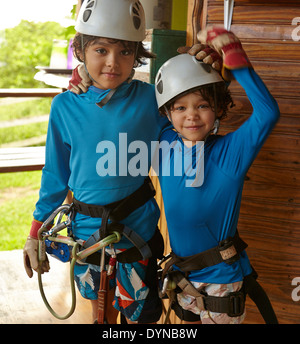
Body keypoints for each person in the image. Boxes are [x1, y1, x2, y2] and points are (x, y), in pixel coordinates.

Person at [23, 0, 170, 324]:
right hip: (88, 239)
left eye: (124, 52)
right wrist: (35, 232)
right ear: (81, 50)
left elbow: (185, 126)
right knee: (100, 316)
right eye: (100, 50)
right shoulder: (64, 106)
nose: (112, 63)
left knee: (141, 319)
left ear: (137, 55)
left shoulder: (149, 98)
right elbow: (54, 176)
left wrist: (196, 66)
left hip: (137, 234)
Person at [153, 27, 280, 324]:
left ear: (219, 109)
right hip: (183, 275)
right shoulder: (164, 142)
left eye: (203, 105)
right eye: (181, 107)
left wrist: (236, 62)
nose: (191, 116)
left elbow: (268, 113)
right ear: (168, 114)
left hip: (221, 281)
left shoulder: (231, 152)